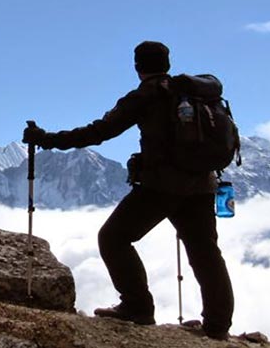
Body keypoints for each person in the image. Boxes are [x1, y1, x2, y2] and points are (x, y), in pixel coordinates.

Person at [22, 41, 234, 340]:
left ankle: (137, 307)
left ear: (137, 66)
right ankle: (218, 325)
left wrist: (46, 139)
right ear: (168, 63)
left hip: (161, 186)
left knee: (113, 238)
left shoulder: (145, 95)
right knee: (206, 253)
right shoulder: (194, 94)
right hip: (202, 185)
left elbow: (99, 132)